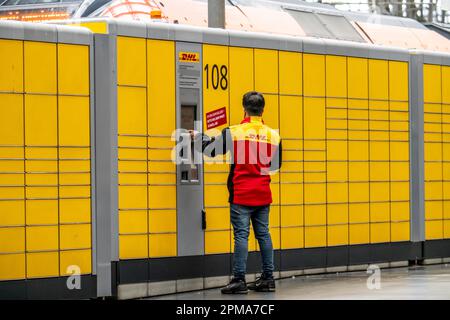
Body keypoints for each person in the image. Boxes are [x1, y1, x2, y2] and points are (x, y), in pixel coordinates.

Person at [190, 91, 282, 294]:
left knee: (241, 236)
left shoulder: (234, 131)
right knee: (264, 234)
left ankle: (239, 280)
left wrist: (198, 138)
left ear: (244, 108)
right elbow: (276, 165)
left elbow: (210, 150)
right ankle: (268, 278)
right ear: (263, 109)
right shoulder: (273, 135)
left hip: (241, 193)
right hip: (263, 193)